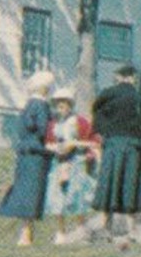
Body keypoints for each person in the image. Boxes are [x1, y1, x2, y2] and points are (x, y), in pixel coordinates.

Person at [91, 63, 141, 248]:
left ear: (119, 76)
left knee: (109, 185)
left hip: (112, 145)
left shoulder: (108, 94)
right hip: (133, 147)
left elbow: (97, 113)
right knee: (130, 186)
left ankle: (106, 230)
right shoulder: (139, 97)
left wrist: (102, 133)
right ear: (132, 77)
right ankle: (132, 231)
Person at [0, 70, 56, 246]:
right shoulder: (41, 107)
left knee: (24, 189)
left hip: (25, 152)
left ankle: (26, 233)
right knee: (32, 192)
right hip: (37, 153)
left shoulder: (27, 106)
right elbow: (43, 129)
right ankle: (26, 234)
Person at [43, 87, 100, 243]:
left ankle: (82, 229)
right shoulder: (53, 124)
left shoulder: (80, 122)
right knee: (57, 197)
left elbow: (94, 142)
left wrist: (74, 144)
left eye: (63, 105)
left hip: (76, 163)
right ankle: (61, 232)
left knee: (78, 196)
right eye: (57, 106)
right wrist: (54, 148)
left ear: (70, 105)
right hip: (59, 164)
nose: (60, 109)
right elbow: (47, 143)